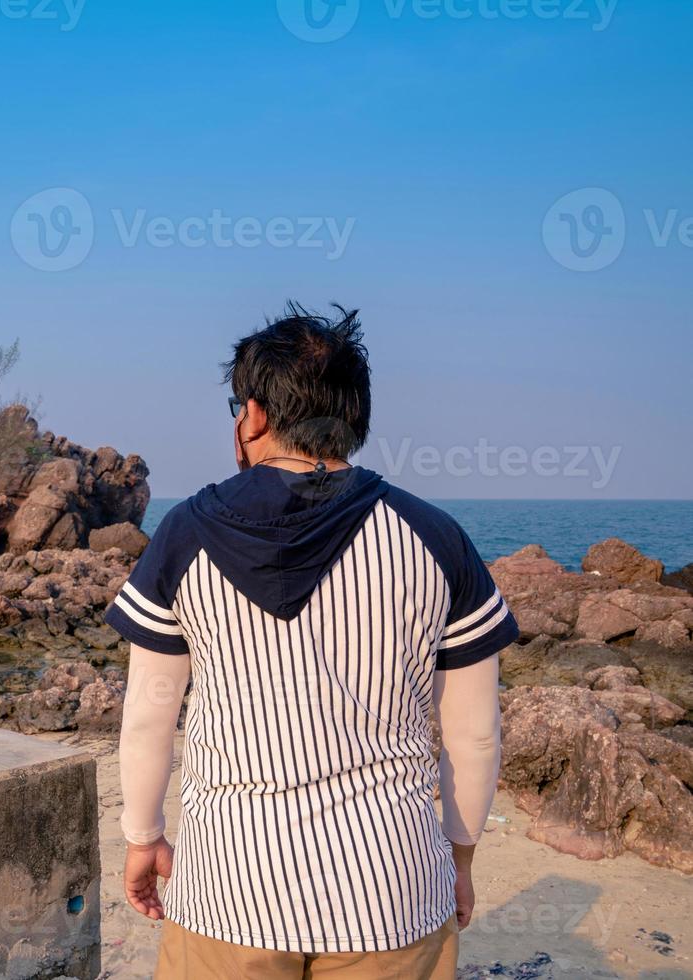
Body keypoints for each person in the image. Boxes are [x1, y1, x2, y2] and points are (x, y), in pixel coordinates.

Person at [107, 304, 516, 979]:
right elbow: (472, 736)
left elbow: (148, 716)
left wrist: (142, 837)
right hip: (390, 889)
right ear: (352, 418)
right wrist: (460, 858)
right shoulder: (435, 538)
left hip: (229, 889)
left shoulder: (183, 534)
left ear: (256, 416)